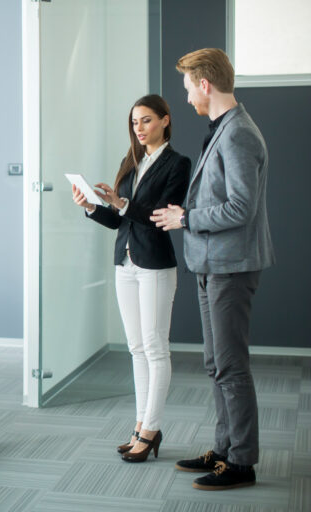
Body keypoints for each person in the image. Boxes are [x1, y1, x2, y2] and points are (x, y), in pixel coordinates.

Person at [151, 48, 274, 490]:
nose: (186, 99)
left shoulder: (239, 133)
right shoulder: (223, 128)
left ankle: (241, 461)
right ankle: (224, 449)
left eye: (188, 89)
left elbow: (241, 207)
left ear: (205, 85)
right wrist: (187, 212)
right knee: (215, 363)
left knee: (231, 365)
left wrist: (186, 219)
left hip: (230, 266)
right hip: (211, 263)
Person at [72, 94, 191, 462]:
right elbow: (120, 221)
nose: (139, 129)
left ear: (165, 121)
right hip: (124, 264)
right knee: (136, 349)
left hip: (155, 263)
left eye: (147, 121)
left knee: (155, 348)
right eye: (135, 122)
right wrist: (93, 206)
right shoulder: (131, 160)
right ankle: (140, 426)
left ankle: (152, 428)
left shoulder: (178, 163)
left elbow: (159, 217)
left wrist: (123, 204)